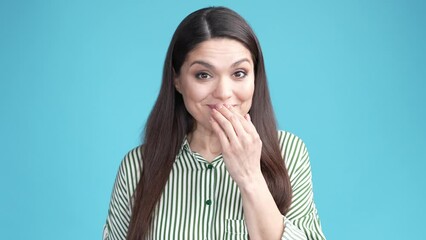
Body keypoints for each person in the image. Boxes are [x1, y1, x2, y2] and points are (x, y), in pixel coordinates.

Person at [103, 6, 326, 240]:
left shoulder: (290, 153)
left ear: (255, 77)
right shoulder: (136, 167)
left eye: (239, 73)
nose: (223, 93)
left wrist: (250, 177)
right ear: (177, 80)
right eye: (203, 75)